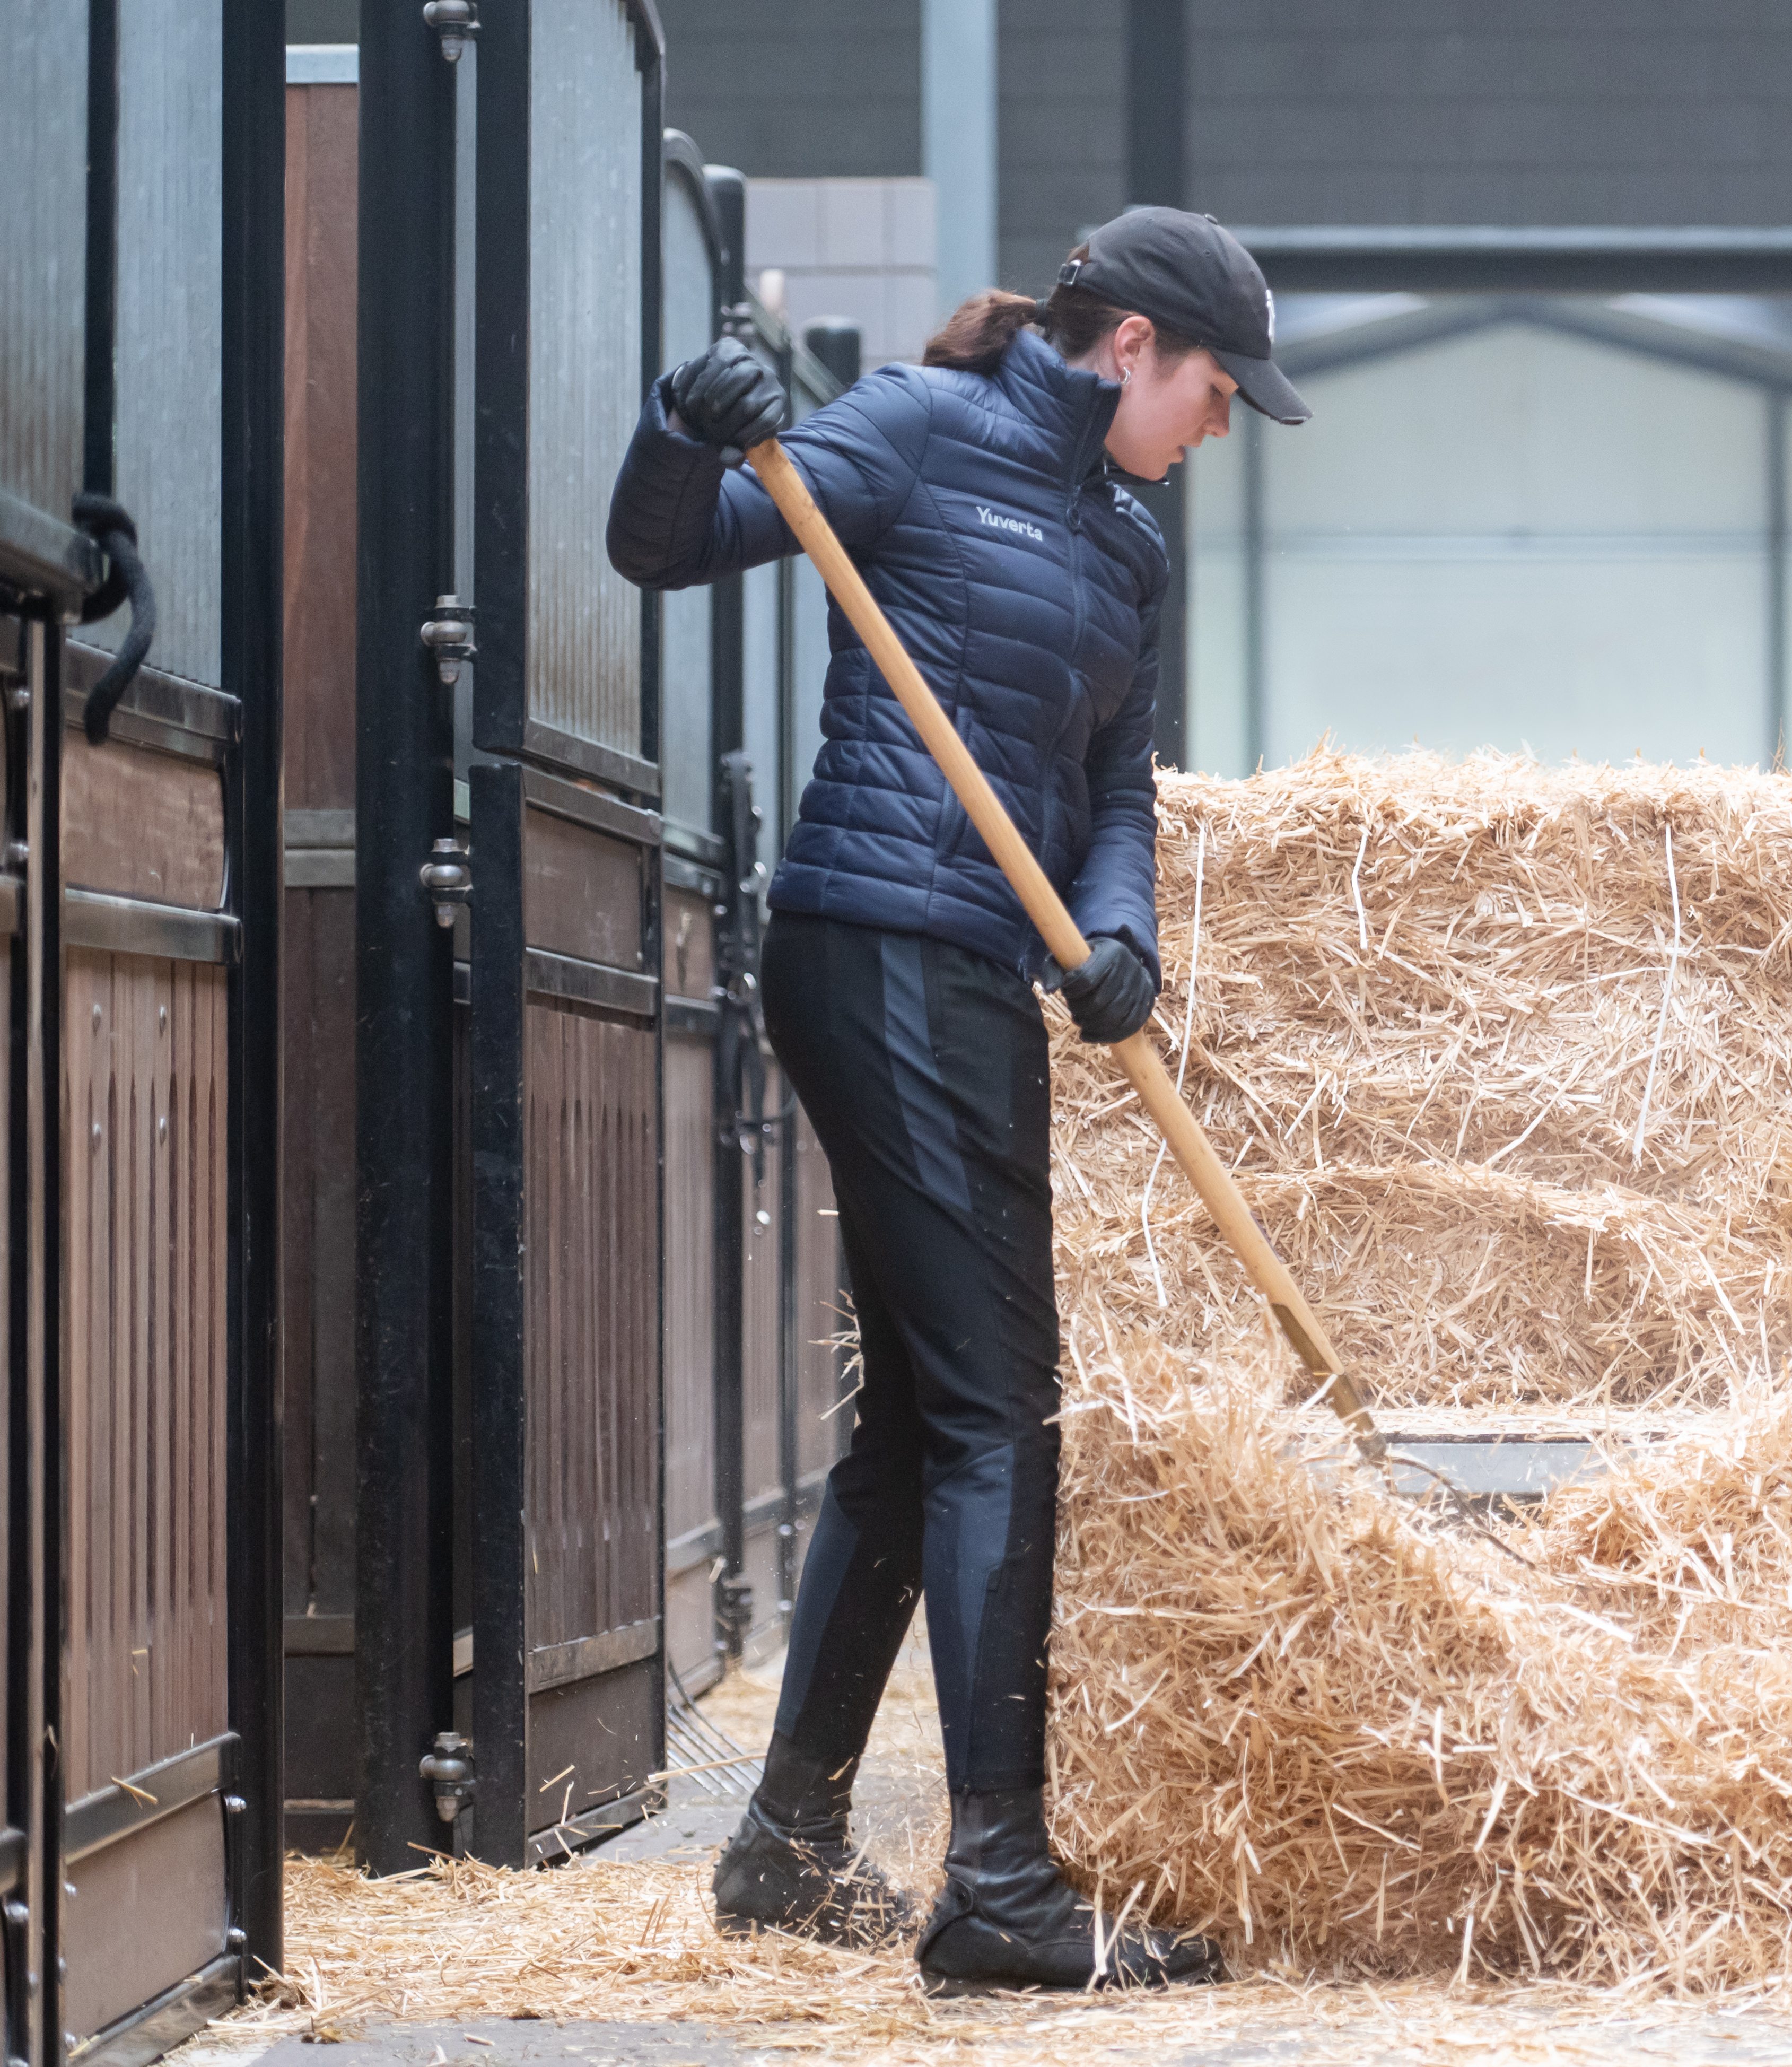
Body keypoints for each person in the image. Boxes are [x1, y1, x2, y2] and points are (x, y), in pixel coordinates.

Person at [606, 207, 1308, 1993]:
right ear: (1133, 345)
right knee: (1006, 1410)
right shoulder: (919, 438)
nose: (1220, 428)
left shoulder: (1126, 544)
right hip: (875, 949)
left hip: (980, 972)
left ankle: (783, 1849)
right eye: (1220, 391)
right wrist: (684, 426)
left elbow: (1117, 788)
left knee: (929, 1423)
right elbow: (666, 549)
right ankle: (997, 1882)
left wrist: (1121, 935)